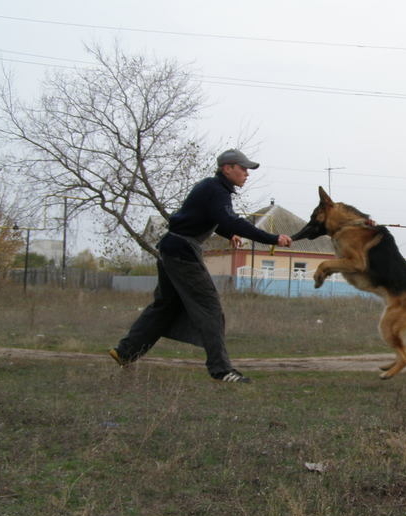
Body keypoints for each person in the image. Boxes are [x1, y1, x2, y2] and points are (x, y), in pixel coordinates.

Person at [109, 149, 292, 383]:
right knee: (210, 308)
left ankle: (125, 352)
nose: (247, 174)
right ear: (227, 168)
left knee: (165, 306)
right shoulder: (216, 190)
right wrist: (272, 238)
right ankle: (222, 370)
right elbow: (229, 219)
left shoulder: (212, 188)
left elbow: (212, 219)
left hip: (172, 247)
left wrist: (228, 233)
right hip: (183, 251)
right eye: (243, 168)